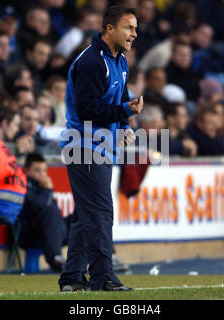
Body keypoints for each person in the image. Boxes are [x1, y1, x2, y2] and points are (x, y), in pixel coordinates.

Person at [58, 6, 142, 292]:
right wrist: (121, 111)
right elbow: (87, 110)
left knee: (87, 215)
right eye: (129, 27)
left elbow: (122, 99)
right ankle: (103, 277)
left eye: (135, 28)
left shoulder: (120, 61)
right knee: (101, 213)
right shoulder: (93, 62)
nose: (134, 33)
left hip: (101, 146)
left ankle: (71, 278)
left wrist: (125, 123)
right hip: (83, 145)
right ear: (109, 29)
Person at [18, 152, 68, 273]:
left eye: (44, 171)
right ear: (27, 171)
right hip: (29, 235)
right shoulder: (22, 185)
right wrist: (47, 189)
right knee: (50, 211)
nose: (42, 175)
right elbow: (39, 205)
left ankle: (105, 255)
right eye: (37, 170)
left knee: (83, 215)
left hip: (51, 234)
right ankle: (55, 258)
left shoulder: (42, 186)